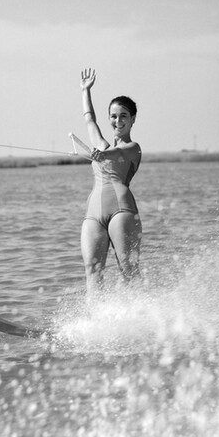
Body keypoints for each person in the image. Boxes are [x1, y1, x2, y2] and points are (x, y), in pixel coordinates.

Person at [79, 68, 142, 294]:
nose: (118, 120)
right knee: (92, 270)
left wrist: (103, 155)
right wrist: (85, 91)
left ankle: (140, 318)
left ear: (133, 119)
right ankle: (95, 324)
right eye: (113, 116)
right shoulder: (101, 146)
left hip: (121, 212)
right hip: (93, 214)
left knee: (128, 269)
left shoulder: (133, 148)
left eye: (123, 115)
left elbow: (120, 154)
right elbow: (89, 120)